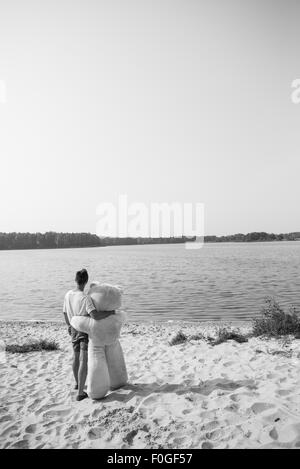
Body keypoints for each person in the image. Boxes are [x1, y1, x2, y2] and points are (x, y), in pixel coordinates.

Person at [71, 283, 128, 399]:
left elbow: (76, 321)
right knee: (116, 360)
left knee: (97, 364)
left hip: (97, 345)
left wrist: (72, 319)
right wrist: (112, 313)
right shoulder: (117, 316)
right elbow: (123, 316)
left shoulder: (91, 322)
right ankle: (118, 381)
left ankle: (97, 391)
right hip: (113, 342)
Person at [63, 268, 98, 401]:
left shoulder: (68, 295)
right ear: (86, 281)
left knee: (76, 357)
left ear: (75, 280)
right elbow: (94, 315)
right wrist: (110, 313)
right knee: (84, 359)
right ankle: (80, 393)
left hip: (72, 328)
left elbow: (65, 313)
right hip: (83, 330)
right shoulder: (85, 297)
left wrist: (68, 326)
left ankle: (78, 383)